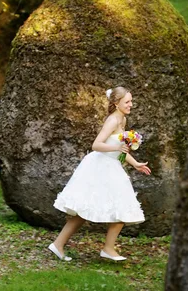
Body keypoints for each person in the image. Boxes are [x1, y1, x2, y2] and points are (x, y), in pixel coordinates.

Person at [48, 86, 151, 261]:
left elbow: (122, 151)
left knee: (121, 207)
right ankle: (60, 245)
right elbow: (97, 145)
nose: (131, 104)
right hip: (99, 167)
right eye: (127, 101)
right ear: (116, 103)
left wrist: (135, 164)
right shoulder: (112, 120)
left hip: (112, 166)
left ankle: (107, 248)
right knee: (87, 209)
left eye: (131, 101)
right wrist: (116, 147)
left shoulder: (122, 120)